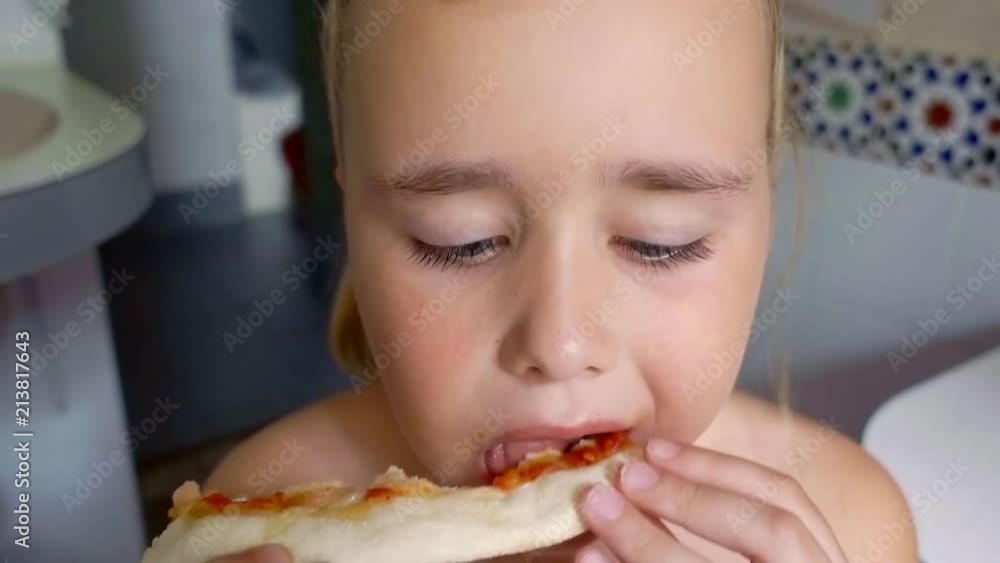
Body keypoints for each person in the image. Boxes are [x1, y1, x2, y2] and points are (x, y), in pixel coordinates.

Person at [204, 0, 918, 561]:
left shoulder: (853, 524)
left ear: (765, 211)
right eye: (461, 241)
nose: (561, 340)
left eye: (660, 243)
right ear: (354, 220)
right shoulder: (262, 509)